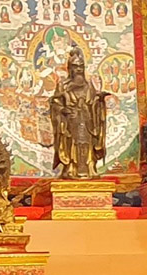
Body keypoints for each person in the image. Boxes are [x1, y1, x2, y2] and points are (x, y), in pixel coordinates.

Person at [50, 47, 108, 179]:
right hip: (70, 122)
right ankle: (70, 168)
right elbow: (55, 104)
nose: (79, 70)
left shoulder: (88, 86)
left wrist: (99, 101)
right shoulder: (63, 86)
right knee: (72, 144)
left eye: (81, 67)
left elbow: (93, 101)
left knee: (87, 144)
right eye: (76, 67)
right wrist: (63, 110)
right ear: (70, 68)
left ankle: (90, 168)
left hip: (87, 120)